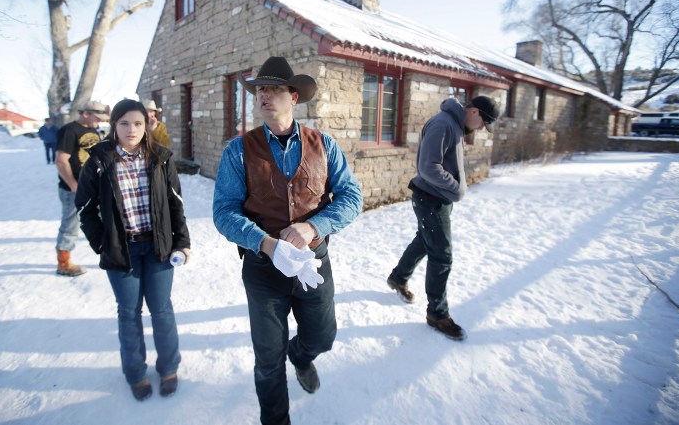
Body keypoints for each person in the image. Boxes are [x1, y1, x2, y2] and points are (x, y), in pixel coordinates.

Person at [213, 56, 363, 425]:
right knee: (267, 359)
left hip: (313, 263)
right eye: (260, 90)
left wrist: (314, 228)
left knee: (324, 335)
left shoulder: (323, 144)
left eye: (274, 89)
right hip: (264, 269)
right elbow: (224, 211)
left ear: (293, 97)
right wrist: (264, 242)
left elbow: (351, 196)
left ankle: (302, 355)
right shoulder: (238, 150)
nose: (264, 96)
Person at [75, 99, 191, 401]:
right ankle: (136, 374)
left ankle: (169, 368)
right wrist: (102, 243)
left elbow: (176, 204)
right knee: (129, 313)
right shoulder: (99, 160)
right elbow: (85, 208)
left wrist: (182, 242)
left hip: (158, 247)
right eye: (124, 123)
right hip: (121, 250)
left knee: (162, 309)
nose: (131, 129)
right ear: (114, 124)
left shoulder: (161, 158)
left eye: (138, 123)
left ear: (146, 125)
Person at [386, 95, 499, 341]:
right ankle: (437, 314)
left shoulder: (454, 125)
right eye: (483, 122)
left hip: (436, 198)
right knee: (442, 255)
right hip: (431, 199)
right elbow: (428, 167)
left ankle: (398, 277)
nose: (481, 128)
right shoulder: (444, 124)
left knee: (425, 241)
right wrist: (456, 188)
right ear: (475, 112)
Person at [54, 100, 109, 276]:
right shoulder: (69, 131)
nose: (100, 121)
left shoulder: (93, 130)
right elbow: (61, 160)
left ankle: (108, 253)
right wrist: (73, 185)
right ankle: (63, 263)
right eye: (97, 116)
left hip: (94, 188)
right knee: (70, 225)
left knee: (102, 221)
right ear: (85, 113)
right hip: (74, 190)